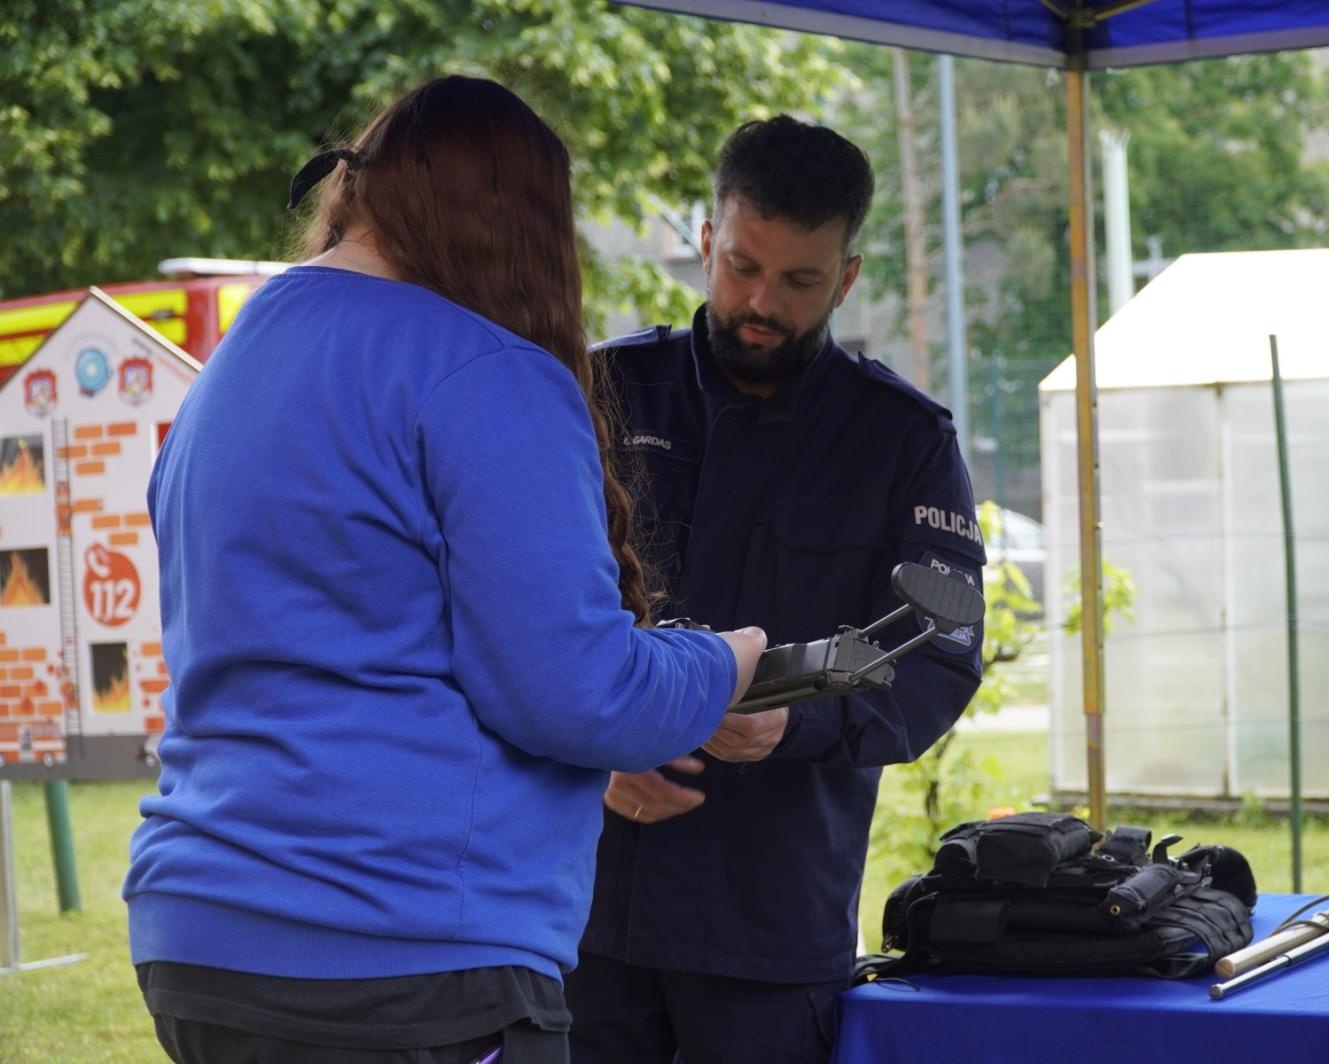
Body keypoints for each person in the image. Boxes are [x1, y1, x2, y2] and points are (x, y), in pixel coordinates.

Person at [122, 76, 766, 1064]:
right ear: (517, 222)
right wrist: (725, 660)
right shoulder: (484, 370)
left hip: (199, 934)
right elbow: (576, 693)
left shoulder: (233, 362)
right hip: (402, 951)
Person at [565, 116, 985, 1063]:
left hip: (766, 928)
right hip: (579, 910)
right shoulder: (602, 393)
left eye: (799, 282)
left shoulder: (902, 442)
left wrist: (796, 725)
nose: (763, 302)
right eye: (742, 267)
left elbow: (940, 665)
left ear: (847, 277)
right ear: (707, 242)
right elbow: (509, 618)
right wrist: (591, 751)